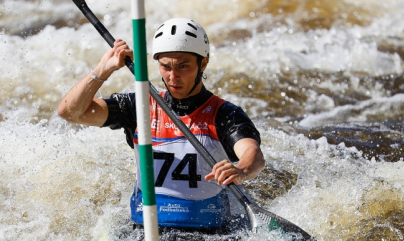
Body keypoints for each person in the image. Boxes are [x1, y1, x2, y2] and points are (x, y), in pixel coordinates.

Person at [58, 18, 265, 229]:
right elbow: (70, 112)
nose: (173, 77)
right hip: (145, 232)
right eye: (165, 66)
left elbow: (253, 155)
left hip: (209, 233)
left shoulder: (225, 114)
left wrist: (240, 171)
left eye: (183, 66)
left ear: (203, 64)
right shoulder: (138, 107)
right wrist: (103, 69)